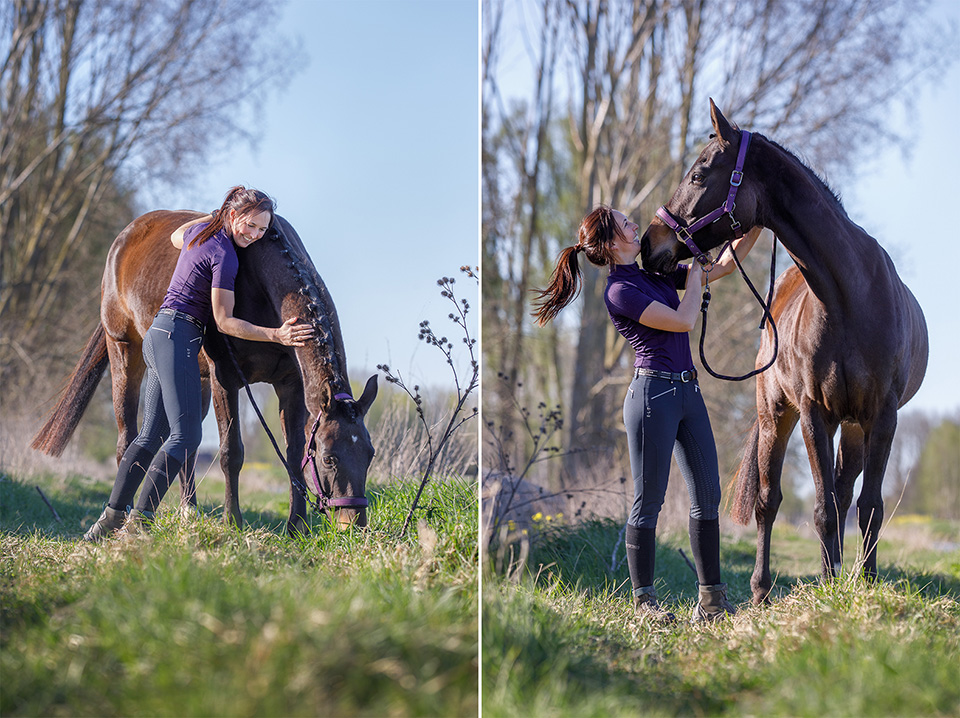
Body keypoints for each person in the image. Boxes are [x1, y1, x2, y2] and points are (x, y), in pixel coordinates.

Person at [532, 205, 762, 623]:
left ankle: (711, 602)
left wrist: (760, 220)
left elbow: (725, 266)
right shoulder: (619, 291)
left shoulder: (653, 273)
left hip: (688, 392)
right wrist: (694, 277)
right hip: (651, 397)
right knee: (649, 503)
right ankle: (645, 605)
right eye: (626, 223)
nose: (635, 224)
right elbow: (682, 320)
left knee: (708, 494)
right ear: (611, 243)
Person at [84, 186, 316, 541]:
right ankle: (140, 520)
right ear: (234, 216)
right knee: (186, 435)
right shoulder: (225, 254)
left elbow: (176, 235)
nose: (254, 236)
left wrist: (213, 216)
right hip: (178, 337)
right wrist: (277, 336)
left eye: (262, 230)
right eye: (250, 225)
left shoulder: (199, 232)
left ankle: (107, 522)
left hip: (159, 335)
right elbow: (224, 322)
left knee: (149, 437)